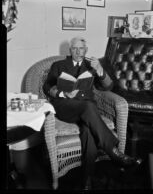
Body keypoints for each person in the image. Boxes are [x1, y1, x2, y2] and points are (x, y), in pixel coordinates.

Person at [43, 37, 142, 190]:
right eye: (74, 48)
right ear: (70, 50)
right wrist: (62, 93)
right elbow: (47, 86)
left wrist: (101, 70)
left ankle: (86, 180)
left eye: (81, 48)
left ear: (86, 50)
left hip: (87, 112)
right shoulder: (59, 65)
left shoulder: (92, 66)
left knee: (88, 129)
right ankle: (113, 151)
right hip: (65, 107)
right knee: (89, 107)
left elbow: (108, 86)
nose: (77, 51)